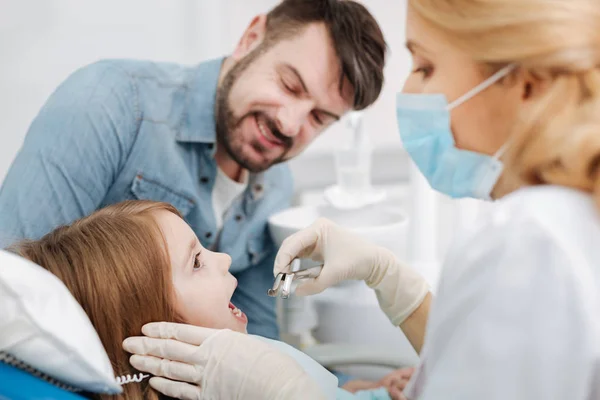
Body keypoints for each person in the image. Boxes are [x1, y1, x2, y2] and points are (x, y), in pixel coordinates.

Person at [122, 0, 600, 398]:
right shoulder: (558, 225)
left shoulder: (530, 240)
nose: (410, 90)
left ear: (525, 85)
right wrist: (392, 284)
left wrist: (298, 393)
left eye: (427, 66)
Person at [0, 0, 386, 341]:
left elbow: (258, 344)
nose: (289, 124)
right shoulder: (108, 103)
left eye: (318, 117)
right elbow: (12, 290)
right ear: (251, 38)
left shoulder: (276, 187)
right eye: (289, 85)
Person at [9, 200, 413, 400]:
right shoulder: (250, 380)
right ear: (153, 324)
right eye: (198, 261)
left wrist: (375, 393)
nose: (225, 259)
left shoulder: (248, 363)